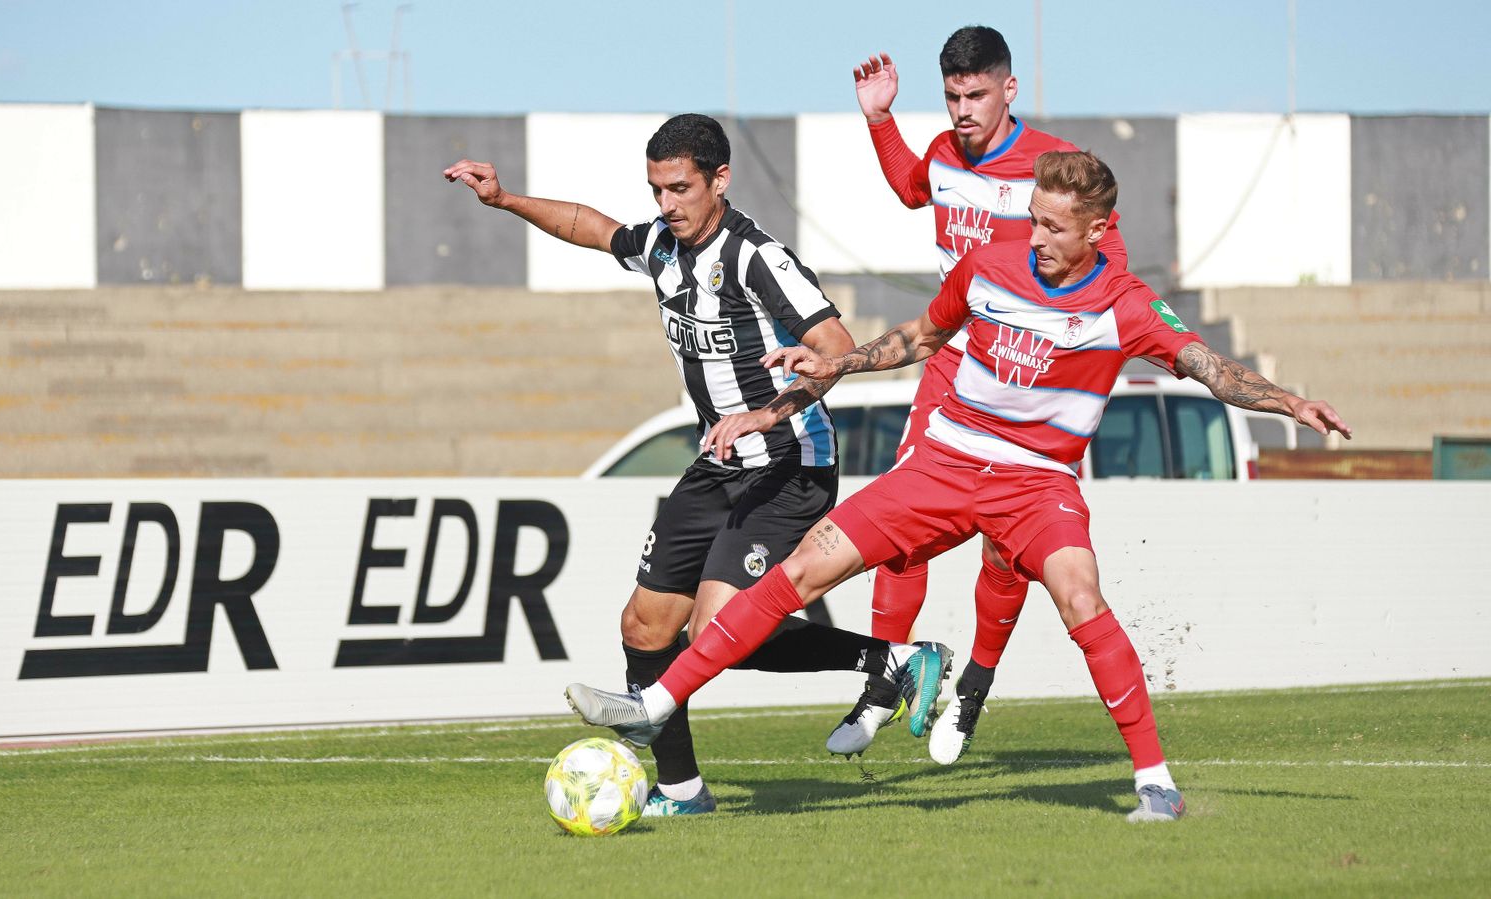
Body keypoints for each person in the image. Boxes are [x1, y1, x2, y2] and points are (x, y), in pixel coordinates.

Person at [565, 150, 1352, 822]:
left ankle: (1155, 782)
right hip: (940, 466)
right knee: (802, 567)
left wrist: (1288, 402)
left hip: (1035, 484)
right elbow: (919, 337)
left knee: (1081, 597)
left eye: (1053, 227)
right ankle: (655, 705)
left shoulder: (1128, 304)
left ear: (1097, 231)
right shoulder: (990, 267)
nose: (1035, 237)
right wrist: (837, 362)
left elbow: (1211, 368)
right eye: (1033, 220)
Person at [444, 114, 946, 817]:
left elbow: (835, 346)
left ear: (720, 180)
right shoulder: (660, 244)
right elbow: (593, 227)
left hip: (789, 459)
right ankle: (682, 791)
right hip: (719, 459)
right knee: (645, 626)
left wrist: (771, 410)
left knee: (718, 628)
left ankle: (889, 661)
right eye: (657, 190)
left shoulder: (754, 257)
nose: (667, 204)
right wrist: (505, 200)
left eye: (680, 188)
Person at [833, 25, 1131, 763]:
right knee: (900, 523)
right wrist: (881, 119)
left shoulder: (1055, 170)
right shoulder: (942, 151)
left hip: (1027, 379)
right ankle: (883, 680)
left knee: (1005, 549)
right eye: (952, 96)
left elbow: (1111, 267)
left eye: (976, 94)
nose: (963, 110)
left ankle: (973, 687)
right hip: (950, 367)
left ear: (1009, 89)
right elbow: (913, 188)